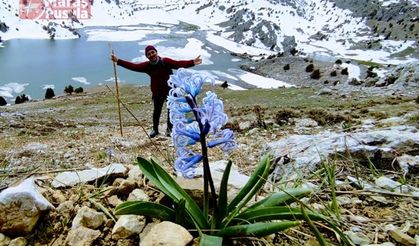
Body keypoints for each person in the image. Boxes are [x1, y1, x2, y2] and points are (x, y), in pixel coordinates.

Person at [111, 45, 202, 138]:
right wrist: (118, 61)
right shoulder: (147, 66)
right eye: (148, 54)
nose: (151, 55)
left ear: (156, 52)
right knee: (156, 112)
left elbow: (178, 64)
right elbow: (133, 66)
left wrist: (192, 62)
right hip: (157, 93)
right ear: (147, 56)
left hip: (170, 91)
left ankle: (169, 129)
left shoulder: (165, 62)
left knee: (171, 111)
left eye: (152, 52)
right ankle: (155, 129)